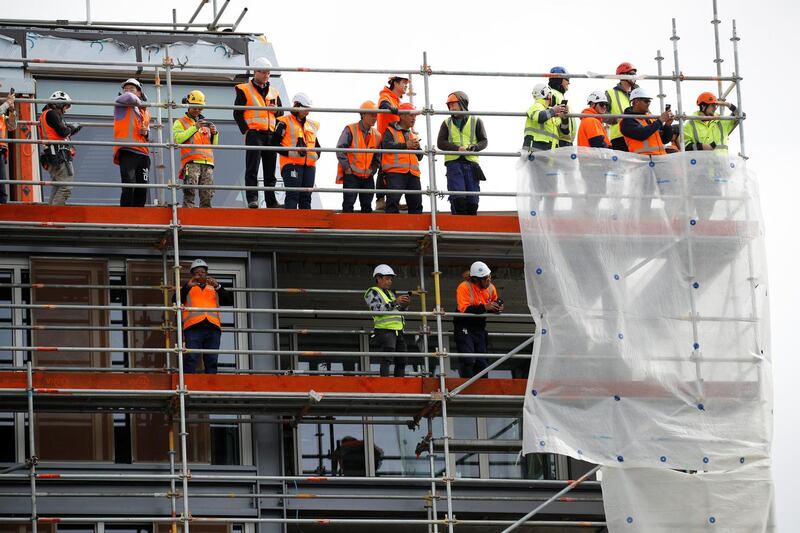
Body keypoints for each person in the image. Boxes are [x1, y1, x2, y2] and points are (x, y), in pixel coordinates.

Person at [234, 56, 283, 208]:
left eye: (268, 73)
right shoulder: (244, 89)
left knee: (270, 171)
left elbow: (280, 113)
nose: (266, 75)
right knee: (252, 168)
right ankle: (252, 199)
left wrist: (276, 112)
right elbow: (237, 113)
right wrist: (246, 131)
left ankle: (271, 201)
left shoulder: (274, 91)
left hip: (270, 134)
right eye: (263, 72)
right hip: (254, 134)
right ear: (255, 72)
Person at [436, 91, 488, 215]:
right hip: (454, 164)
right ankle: (458, 227)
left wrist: (474, 147)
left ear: (463, 104)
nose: (451, 108)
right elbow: (440, 143)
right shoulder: (446, 123)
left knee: (473, 201)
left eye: (454, 104)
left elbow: (484, 141)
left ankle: (471, 229)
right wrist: (457, 148)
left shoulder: (476, 121)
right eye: (450, 105)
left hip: (472, 165)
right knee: (458, 199)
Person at [179, 259, 233, 374]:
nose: (200, 274)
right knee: (191, 358)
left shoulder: (214, 288)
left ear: (207, 274)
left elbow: (229, 300)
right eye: (197, 272)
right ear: (192, 275)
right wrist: (188, 286)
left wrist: (218, 286)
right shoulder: (187, 288)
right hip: (193, 327)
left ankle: (211, 387)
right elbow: (175, 299)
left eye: (203, 272)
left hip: (212, 327)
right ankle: (189, 384)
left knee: (212, 359)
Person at [523, 84, 567, 214]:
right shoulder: (537, 106)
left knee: (551, 191)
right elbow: (539, 117)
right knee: (537, 189)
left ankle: (548, 217)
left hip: (550, 158)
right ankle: (534, 215)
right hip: (537, 155)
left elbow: (564, 130)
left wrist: (564, 117)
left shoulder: (549, 113)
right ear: (547, 95)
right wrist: (554, 111)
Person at [454, 261, 503, 379]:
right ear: (476, 279)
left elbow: (493, 302)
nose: (489, 280)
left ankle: (481, 389)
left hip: (479, 326)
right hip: (464, 325)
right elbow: (464, 310)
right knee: (468, 359)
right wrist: (485, 307)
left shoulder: (491, 288)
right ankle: (466, 386)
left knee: (482, 362)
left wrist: (497, 308)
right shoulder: (464, 287)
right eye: (485, 278)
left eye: (489, 277)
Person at [173, 90, 219, 208]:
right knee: (190, 191)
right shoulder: (180, 122)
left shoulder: (205, 123)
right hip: (191, 163)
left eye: (200, 108)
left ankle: (206, 219)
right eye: (195, 107)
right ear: (188, 105)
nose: (197, 110)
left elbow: (213, 145)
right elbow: (178, 139)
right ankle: (188, 217)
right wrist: (194, 128)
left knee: (207, 194)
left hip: (208, 163)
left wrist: (214, 133)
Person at [274, 93, 320, 210]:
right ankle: (290, 225)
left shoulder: (311, 125)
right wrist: (292, 153)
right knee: (292, 196)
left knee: (306, 197)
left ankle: (304, 226)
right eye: (305, 108)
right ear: (297, 106)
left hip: (309, 166)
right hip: (291, 164)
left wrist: (315, 156)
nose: (307, 112)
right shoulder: (284, 122)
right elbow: (274, 144)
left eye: (308, 109)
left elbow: (317, 145)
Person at [364, 264, 410, 377]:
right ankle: (386, 384)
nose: (390, 281)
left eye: (391, 279)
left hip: (397, 330)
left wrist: (404, 305)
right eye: (387, 278)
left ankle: (399, 384)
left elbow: (395, 309)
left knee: (402, 360)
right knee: (387, 358)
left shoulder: (390, 293)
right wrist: (396, 302)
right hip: (385, 331)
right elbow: (377, 309)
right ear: (378, 278)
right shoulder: (372, 292)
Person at [336, 101, 380, 213]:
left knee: (367, 207)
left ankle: (366, 229)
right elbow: (340, 149)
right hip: (352, 175)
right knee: (348, 205)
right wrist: (347, 169)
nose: (375, 118)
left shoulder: (377, 135)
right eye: (372, 115)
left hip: (367, 176)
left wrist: (372, 170)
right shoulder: (350, 129)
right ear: (363, 114)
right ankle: (346, 227)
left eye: (376, 115)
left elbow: (378, 156)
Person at [39, 91, 82, 205]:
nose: (65, 110)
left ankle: (50, 215)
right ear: (58, 104)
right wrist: (72, 128)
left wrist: (70, 129)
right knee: (65, 188)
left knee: (58, 186)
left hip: (53, 154)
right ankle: (55, 217)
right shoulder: (52, 114)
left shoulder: (46, 114)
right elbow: (63, 132)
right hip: (58, 154)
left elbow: (59, 131)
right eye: (65, 106)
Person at [113, 78, 151, 207]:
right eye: (125, 89)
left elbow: (148, 134)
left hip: (143, 153)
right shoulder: (121, 105)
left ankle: (138, 215)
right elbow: (128, 97)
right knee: (129, 185)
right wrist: (142, 101)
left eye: (132, 88)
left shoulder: (145, 111)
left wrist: (146, 133)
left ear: (139, 92)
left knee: (142, 188)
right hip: (128, 150)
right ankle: (126, 214)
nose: (127, 91)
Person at [381, 103, 423, 214]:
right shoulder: (390, 131)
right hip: (395, 173)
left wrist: (418, 148)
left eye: (415, 116)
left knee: (416, 205)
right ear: (402, 116)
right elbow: (385, 146)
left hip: (413, 174)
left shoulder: (412, 135)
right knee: (393, 203)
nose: (414, 119)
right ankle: (391, 229)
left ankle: (416, 229)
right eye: (411, 115)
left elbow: (420, 157)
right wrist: (406, 145)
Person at [375, 74, 409, 211]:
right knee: (383, 169)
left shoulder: (397, 101)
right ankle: (380, 201)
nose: (406, 85)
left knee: (394, 170)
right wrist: (392, 108)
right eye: (404, 82)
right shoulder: (386, 96)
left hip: (395, 138)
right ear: (395, 83)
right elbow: (384, 104)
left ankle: (391, 199)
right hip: (385, 137)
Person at [620, 87, 674, 156]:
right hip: (643, 161)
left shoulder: (651, 119)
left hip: (659, 159)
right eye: (646, 101)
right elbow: (642, 134)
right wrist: (660, 120)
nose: (648, 103)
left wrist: (667, 125)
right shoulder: (627, 121)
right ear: (636, 102)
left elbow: (665, 140)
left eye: (649, 101)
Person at [606, 62, 639, 151]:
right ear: (622, 76)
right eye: (632, 74)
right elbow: (603, 116)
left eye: (635, 74)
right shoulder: (610, 93)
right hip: (619, 138)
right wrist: (616, 119)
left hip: (638, 135)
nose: (635, 76)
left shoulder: (638, 93)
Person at [548, 67, 577, 147]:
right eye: (567, 79)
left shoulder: (559, 95)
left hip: (564, 140)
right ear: (559, 79)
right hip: (559, 140)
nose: (569, 82)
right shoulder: (552, 93)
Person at [0, 90, 17, 204]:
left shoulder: (1, 114)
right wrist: (7, 103)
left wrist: (11, 110)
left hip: (1, 150)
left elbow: (12, 126)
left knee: (1, 184)